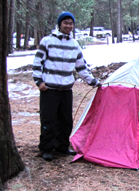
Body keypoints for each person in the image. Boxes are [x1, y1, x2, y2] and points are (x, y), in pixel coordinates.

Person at [32, 11, 101, 161]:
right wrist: (39, 82)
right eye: (66, 23)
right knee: (48, 119)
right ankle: (47, 148)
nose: (68, 26)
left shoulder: (74, 44)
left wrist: (93, 81)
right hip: (49, 88)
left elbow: (81, 67)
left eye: (71, 23)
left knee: (65, 120)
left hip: (66, 89)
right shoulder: (47, 41)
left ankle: (62, 146)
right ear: (59, 24)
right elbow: (37, 63)